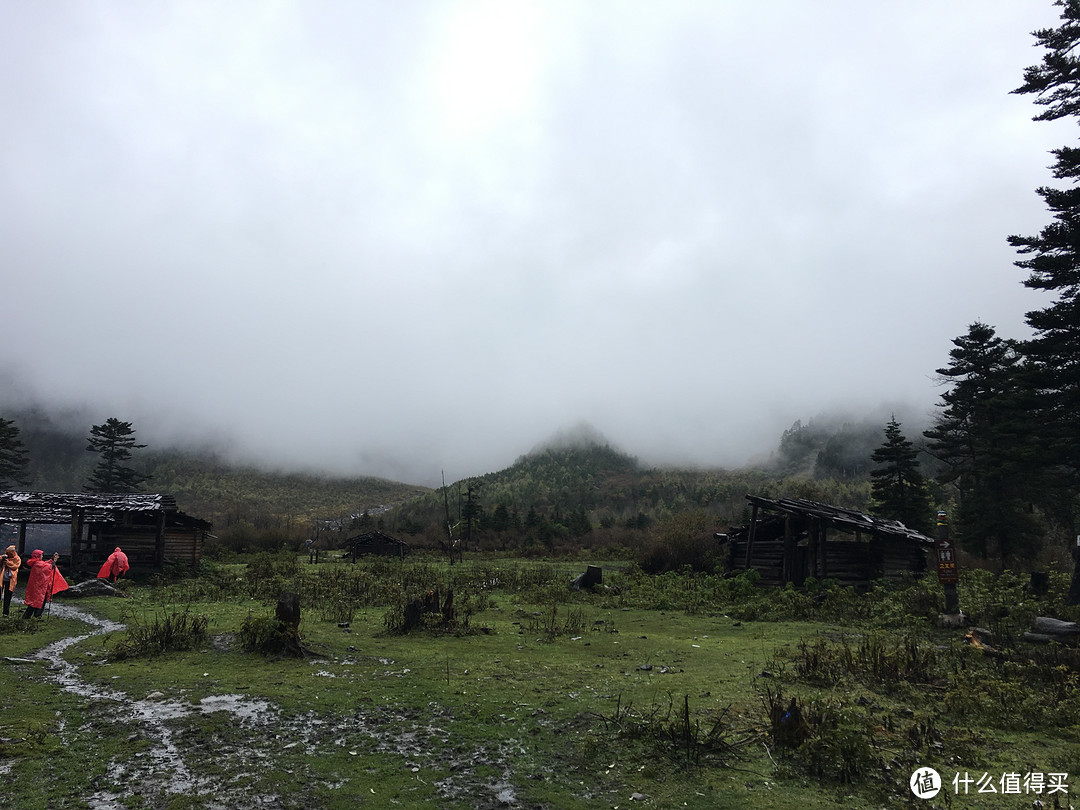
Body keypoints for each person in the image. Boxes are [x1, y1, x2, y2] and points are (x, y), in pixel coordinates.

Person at [22, 549, 68, 619]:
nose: (42, 556)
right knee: (39, 601)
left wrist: (52, 559)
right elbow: (48, 567)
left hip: (37, 585)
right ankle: (36, 615)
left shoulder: (36, 563)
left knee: (35, 601)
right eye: (41, 555)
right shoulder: (38, 564)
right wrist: (54, 562)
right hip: (39, 586)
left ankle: (30, 616)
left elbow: (45, 564)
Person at [2, 545, 20, 616]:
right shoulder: (4, 557)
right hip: (2, 579)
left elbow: (15, 567)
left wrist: (7, 562)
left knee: (8, 596)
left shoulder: (17, 559)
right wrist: (2, 559)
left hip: (10, 580)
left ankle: (6, 612)